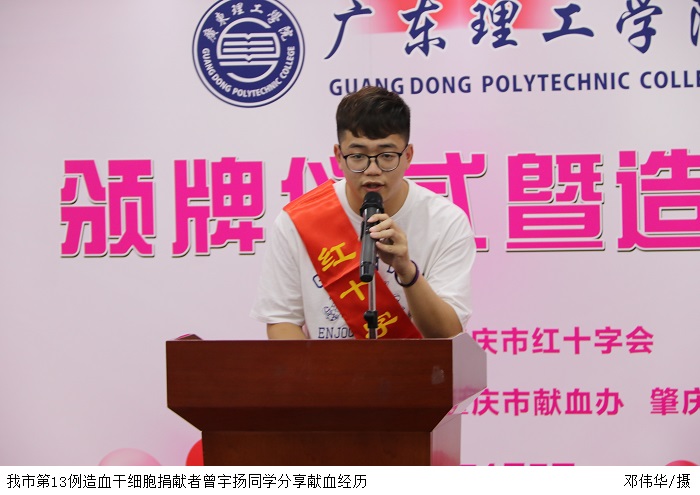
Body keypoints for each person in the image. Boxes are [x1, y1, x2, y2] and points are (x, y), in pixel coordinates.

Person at [250, 86, 475, 340]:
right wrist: (316, 368)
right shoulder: (297, 221)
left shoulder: (446, 222)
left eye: (387, 155)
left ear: (408, 155)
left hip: (415, 367)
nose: (372, 170)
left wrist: (406, 270)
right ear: (339, 156)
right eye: (358, 156)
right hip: (326, 367)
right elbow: (282, 321)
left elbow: (448, 334)